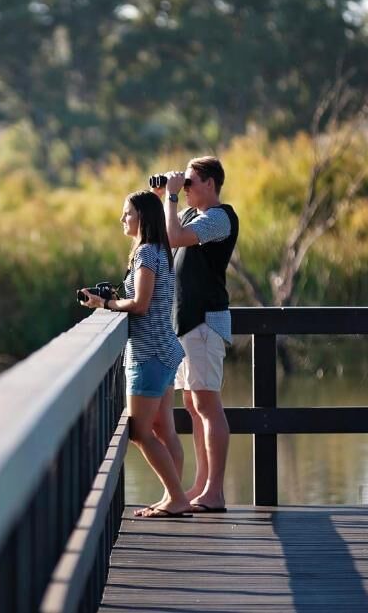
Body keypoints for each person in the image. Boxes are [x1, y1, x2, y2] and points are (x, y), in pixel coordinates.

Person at [79, 191, 190, 518]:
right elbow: (149, 300)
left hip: (149, 353)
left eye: (127, 213)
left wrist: (107, 304)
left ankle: (176, 497)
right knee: (164, 430)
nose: (122, 219)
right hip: (165, 348)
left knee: (140, 432)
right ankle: (175, 496)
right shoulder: (161, 251)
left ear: (141, 217)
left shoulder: (145, 253)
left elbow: (141, 304)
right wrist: (117, 298)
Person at [155, 156, 239, 514]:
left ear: (209, 183)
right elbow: (163, 237)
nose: (185, 188)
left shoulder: (219, 218)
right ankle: (202, 486)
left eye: (190, 182)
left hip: (205, 322)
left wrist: (172, 198)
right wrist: (164, 197)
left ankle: (215, 492)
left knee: (207, 404)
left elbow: (174, 237)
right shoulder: (190, 215)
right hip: (186, 324)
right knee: (192, 405)